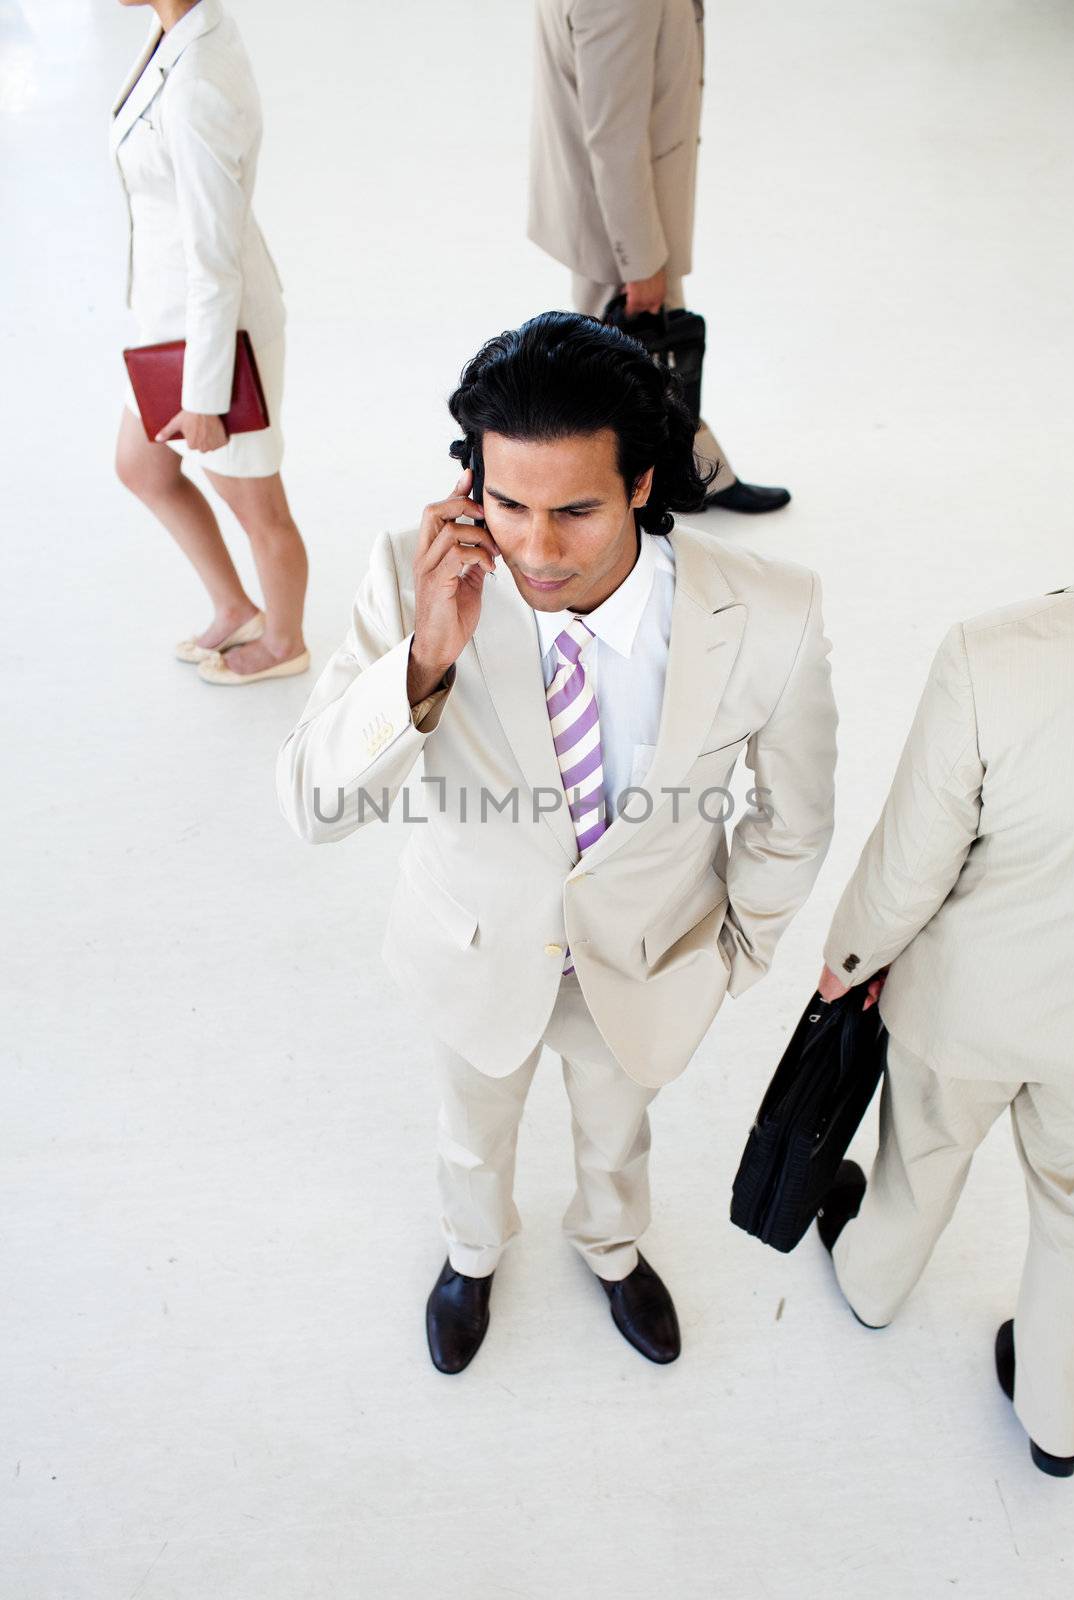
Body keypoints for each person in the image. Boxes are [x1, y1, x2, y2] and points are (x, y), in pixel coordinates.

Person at [276, 312, 836, 1374]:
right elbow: (314, 804)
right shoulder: (412, 575)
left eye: (574, 508)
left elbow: (795, 809)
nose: (534, 547)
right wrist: (424, 655)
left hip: (648, 955)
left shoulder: (771, 609)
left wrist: (738, 951)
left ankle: (613, 1247)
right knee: (471, 1129)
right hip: (476, 947)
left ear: (641, 483)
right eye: (508, 502)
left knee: (617, 1133)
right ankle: (471, 1251)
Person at [813, 583, 1074, 1478]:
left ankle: (872, 1289)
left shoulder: (995, 655)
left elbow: (912, 857)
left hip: (971, 1003)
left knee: (919, 1157)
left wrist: (850, 961)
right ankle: (1058, 1419)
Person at [527, 0, 791, 516]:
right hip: (617, 218)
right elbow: (614, 137)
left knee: (622, 364)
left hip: (605, 205)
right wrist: (641, 261)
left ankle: (684, 473)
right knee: (617, 369)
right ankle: (612, 497)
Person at [111, 0, 309, 684]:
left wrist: (205, 395)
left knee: (260, 508)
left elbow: (216, 258)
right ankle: (235, 607)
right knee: (142, 467)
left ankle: (285, 643)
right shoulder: (176, 33)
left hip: (219, 335)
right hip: (168, 323)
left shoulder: (197, 81)